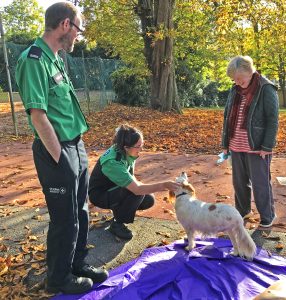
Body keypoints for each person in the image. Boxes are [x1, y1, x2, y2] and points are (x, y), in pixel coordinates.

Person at [15, 2, 108, 294]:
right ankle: (58, 278)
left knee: (80, 212)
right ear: (65, 25)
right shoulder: (33, 59)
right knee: (64, 218)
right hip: (56, 150)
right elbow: (38, 115)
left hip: (74, 145)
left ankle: (76, 264)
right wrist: (60, 157)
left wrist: (77, 151)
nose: (79, 36)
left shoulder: (54, 57)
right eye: (78, 29)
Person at [89, 124, 180, 240]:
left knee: (148, 200)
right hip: (99, 195)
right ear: (126, 147)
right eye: (138, 146)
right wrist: (164, 185)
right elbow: (136, 189)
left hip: (114, 188)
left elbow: (131, 177)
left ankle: (119, 212)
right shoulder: (113, 162)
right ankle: (117, 224)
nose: (141, 149)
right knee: (137, 193)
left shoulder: (126, 150)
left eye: (142, 144)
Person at [221, 55, 279, 228]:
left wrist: (267, 146)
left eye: (239, 79)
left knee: (260, 183)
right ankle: (243, 210)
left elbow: (272, 119)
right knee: (239, 182)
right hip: (236, 144)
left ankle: (268, 215)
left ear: (250, 72)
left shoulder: (266, 88)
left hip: (257, 146)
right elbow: (227, 116)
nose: (237, 82)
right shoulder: (235, 89)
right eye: (234, 80)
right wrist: (225, 143)